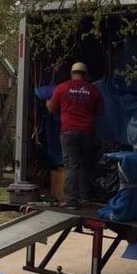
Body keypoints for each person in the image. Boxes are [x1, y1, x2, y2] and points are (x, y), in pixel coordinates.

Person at [47, 62, 103, 209]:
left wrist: (48, 103)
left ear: (72, 73)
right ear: (86, 75)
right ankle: (85, 197)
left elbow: (52, 108)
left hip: (69, 132)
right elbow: (100, 111)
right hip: (87, 133)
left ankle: (72, 200)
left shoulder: (62, 88)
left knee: (72, 165)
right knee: (85, 164)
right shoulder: (93, 90)